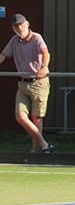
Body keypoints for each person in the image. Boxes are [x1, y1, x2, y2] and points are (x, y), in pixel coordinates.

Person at [0, 14, 54, 153]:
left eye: (21, 24)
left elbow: (45, 52)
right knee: (20, 116)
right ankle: (44, 145)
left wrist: (43, 67)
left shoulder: (36, 38)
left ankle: (35, 151)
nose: (19, 28)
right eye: (16, 26)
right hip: (23, 84)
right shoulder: (14, 41)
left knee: (36, 118)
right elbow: (3, 55)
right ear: (13, 29)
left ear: (27, 24)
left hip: (38, 82)